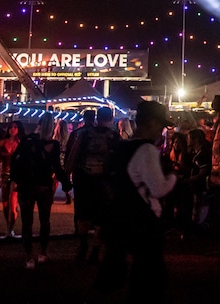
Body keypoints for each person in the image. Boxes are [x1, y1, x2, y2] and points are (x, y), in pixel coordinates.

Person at [95, 100, 178, 304]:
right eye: (160, 125)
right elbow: (158, 188)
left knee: (138, 274)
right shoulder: (147, 150)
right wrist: (173, 178)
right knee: (150, 277)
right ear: (151, 123)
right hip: (144, 220)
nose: (161, 131)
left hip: (122, 217)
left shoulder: (122, 147)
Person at [11, 113, 68, 269]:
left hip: (27, 185)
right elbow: (56, 166)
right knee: (44, 219)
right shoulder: (53, 145)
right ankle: (43, 253)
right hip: (44, 185)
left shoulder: (27, 141)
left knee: (27, 222)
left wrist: (16, 179)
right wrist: (66, 183)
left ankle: (29, 256)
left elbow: (15, 160)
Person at [65, 106, 119, 261]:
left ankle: (82, 246)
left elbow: (73, 156)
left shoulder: (84, 134)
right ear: (111, 118)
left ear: (97, 118)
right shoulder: (114, 137)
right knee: (101, 217)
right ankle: (95, 249)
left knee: (83, 214)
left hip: (84, 179)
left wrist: (67, 175)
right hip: (104, 181)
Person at [0, 120, 23, 238]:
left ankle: (11, 228)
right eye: (11, 127)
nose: (12, 129)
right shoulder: (2, 143)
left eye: (15, 127)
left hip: (16, 175)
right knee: (5, 203)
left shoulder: (21, 144)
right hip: (4, 174)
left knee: (13, 202)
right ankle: (8, 226)